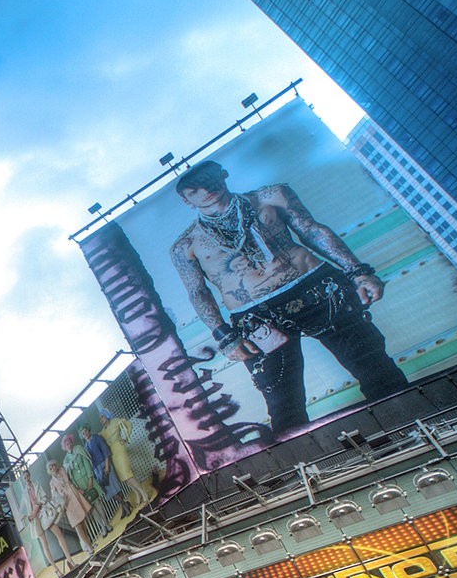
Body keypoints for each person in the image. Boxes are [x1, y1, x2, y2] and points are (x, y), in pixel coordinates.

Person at [169, 159, 409, 435]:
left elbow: (312, 231)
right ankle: (309, 472)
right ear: (186, 200)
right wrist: (225, 336)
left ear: (223, 174)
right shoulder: (186, 245)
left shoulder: (271, 197)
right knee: (283, 404)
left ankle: (411, 428)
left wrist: (357, 271)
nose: (205, 190)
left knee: (374, 367)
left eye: (209, 179)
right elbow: (198, 293)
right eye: (193, 189)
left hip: (317, 291)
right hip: (255, 317)